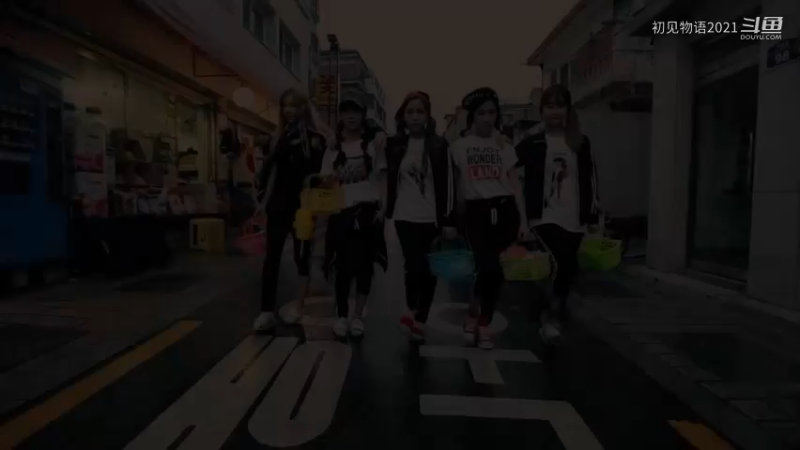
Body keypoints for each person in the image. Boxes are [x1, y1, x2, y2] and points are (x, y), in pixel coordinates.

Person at [514, 84, 600, 344]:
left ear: (568, 110)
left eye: (560, 106)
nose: (555, 111)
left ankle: (553, 311)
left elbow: (591, 179)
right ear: (541, 111)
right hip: (543, 216)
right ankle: (551, 316)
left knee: (568, 268)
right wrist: (520, 217)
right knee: (563, 262)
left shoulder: (580, 142)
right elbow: (509, 168)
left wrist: (594, 217)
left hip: (574, 216)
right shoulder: (532, 143)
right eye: (549, 106)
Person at [450, 87, 529, 350]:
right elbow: (457, 188)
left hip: (505, 211)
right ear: (472, 116)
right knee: (487, 267)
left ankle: (483, 324)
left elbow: (515, 185)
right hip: (476, 213)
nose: (487, 118)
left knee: (496, 273)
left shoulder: (504, 146)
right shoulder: (459, 147)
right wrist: (453, 221)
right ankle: (473, 314)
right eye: (482, 113)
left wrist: (523, 221)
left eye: (492, 113)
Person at [383, 91, 457, 342]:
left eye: (419, 112)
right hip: (404, 216)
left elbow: (449, 184)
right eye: (410, 112)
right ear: (403, 116)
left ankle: (420, 319)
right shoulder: (395, 144)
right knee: (413, 264)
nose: (415, 117)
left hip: (431, 218)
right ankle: (410, 306)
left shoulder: (439, 145)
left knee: (428, 270)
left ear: (427, 116)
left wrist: (448, 220)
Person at [254, 88, 329, 332]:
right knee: (272, 257)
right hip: (278, 204)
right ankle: (266, 311)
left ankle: (299, 306)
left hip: (303, 207)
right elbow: (273, 173)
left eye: (294, 106)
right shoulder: (278, 137)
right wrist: (263, 203)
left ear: (304, 108)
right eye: (285, 106)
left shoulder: (316, 138)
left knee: (301, 257)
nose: (289, 110)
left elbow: (322, 176)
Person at [322, 99, 388, 339]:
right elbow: (325, 181)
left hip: (368, 211)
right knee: (342, 268)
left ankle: (358, 316)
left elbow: (382, 177)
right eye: (346, 111)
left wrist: (384, 207)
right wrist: (333, 177)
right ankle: (341, 316)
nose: (351, 116)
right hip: (341, 211)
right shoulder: (333, 147)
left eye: (356, 111)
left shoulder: (373, 144)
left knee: (364, 268)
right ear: (340, 116)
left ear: (363, 115)